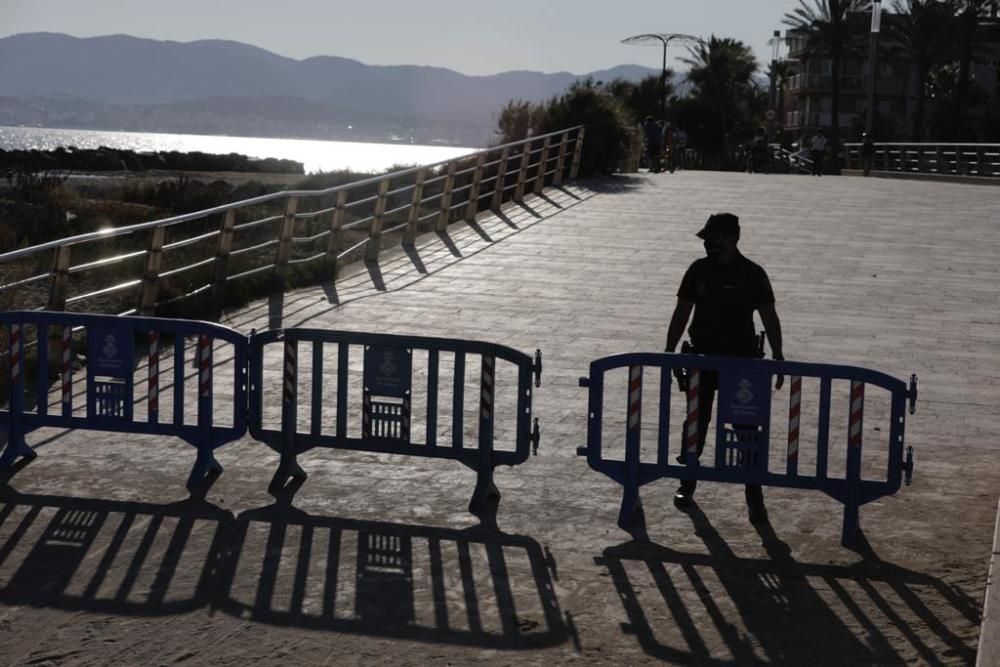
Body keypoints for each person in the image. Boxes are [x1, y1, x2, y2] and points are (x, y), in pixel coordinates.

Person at [663, 213, 785, 523]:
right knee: (695, 423)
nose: (707, 244)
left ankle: (754, 496)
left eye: (713, 238)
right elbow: (682, 313)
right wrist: (668, 351)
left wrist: (779, 356)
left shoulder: (753, 274)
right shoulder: (698, 270)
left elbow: (770, 317)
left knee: (746, 431)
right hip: (702, 358)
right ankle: (687, 482)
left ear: (731, 239)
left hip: (741, 361)